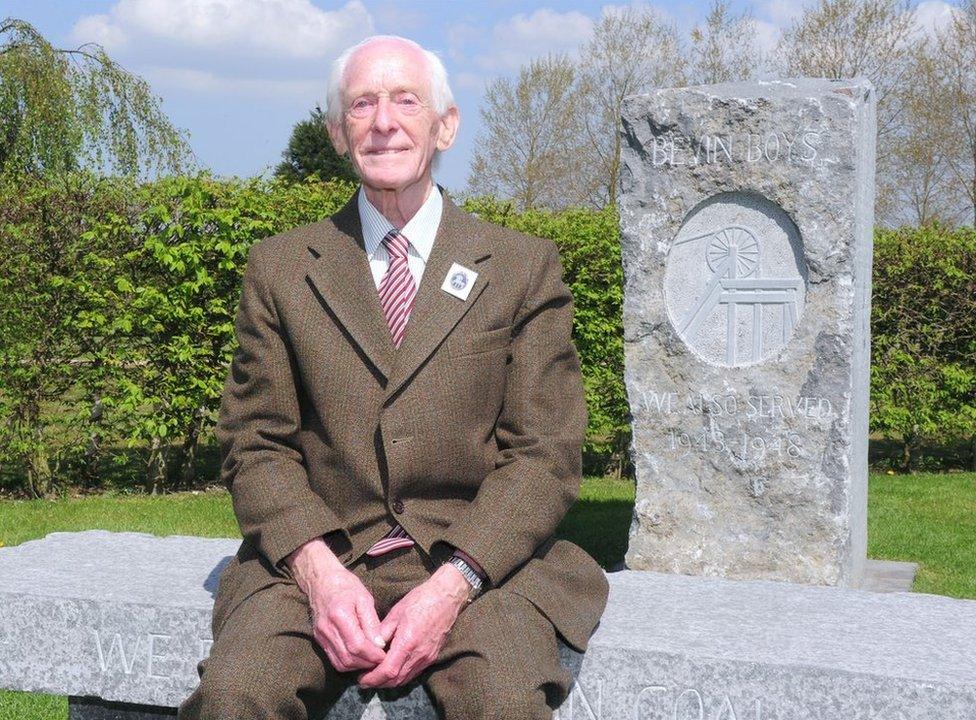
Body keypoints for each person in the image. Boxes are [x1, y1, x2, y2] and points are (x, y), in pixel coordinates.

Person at [178, 34, 609, 720]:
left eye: (406, 100)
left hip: (478, 563)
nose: (383, 121)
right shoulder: (282, 269)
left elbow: (544, 454)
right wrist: (317, 571)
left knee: (502, 702)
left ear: (445, 125)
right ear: (337, 133)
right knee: (236, 696)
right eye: (362, 104)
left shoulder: (521, 268)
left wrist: (454, 584)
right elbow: (255, 443)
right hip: (320, 556)